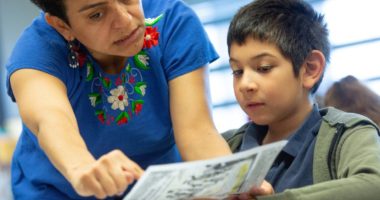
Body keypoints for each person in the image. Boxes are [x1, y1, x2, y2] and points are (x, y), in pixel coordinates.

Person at [5, 0, 232, 199]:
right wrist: (82, 168)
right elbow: (50, 120)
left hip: (160, 187)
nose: (124, 20)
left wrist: (230, 187)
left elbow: (198, 134)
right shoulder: (36, 52)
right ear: (63, 26)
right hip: (59, 191)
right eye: (97, 15)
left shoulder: (172, 21)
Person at [222, 0, 380, 199]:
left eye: (263, 68)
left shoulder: (346, 134)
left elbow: (374, 186)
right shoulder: (226, 145)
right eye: (237, 71)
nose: (245, 84)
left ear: (310, 69)